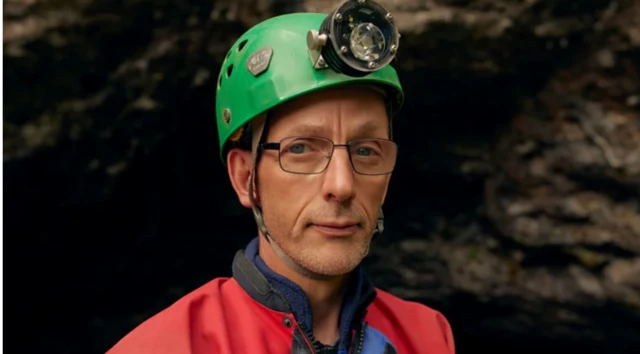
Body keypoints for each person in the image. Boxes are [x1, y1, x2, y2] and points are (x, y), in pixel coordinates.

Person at [107, 1, 455, 353]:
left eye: (366, 151)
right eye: (301, 149)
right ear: (245, 178)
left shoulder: (428, 337)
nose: (342, 185)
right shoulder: (167, 346)